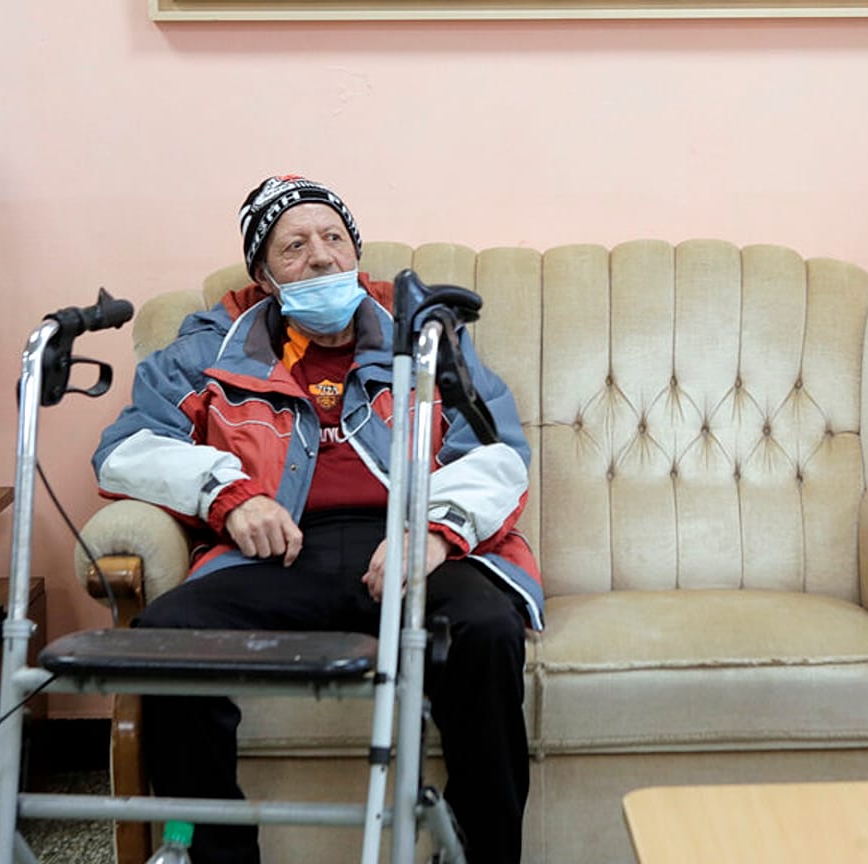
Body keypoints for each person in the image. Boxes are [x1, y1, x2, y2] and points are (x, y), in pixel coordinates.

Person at [93, 175, 541, 864]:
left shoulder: (422, 333)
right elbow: (125, 450)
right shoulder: (211, 347)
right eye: (294, 246)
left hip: (411, 544)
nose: (323, 257)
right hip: (280, 553)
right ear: (264, 273)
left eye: (334, 237)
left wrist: (434, 531)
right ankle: (217, 856)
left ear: (355, 251)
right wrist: (230, 495)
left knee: (486, 631)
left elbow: (496, 450)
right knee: (165, 635)